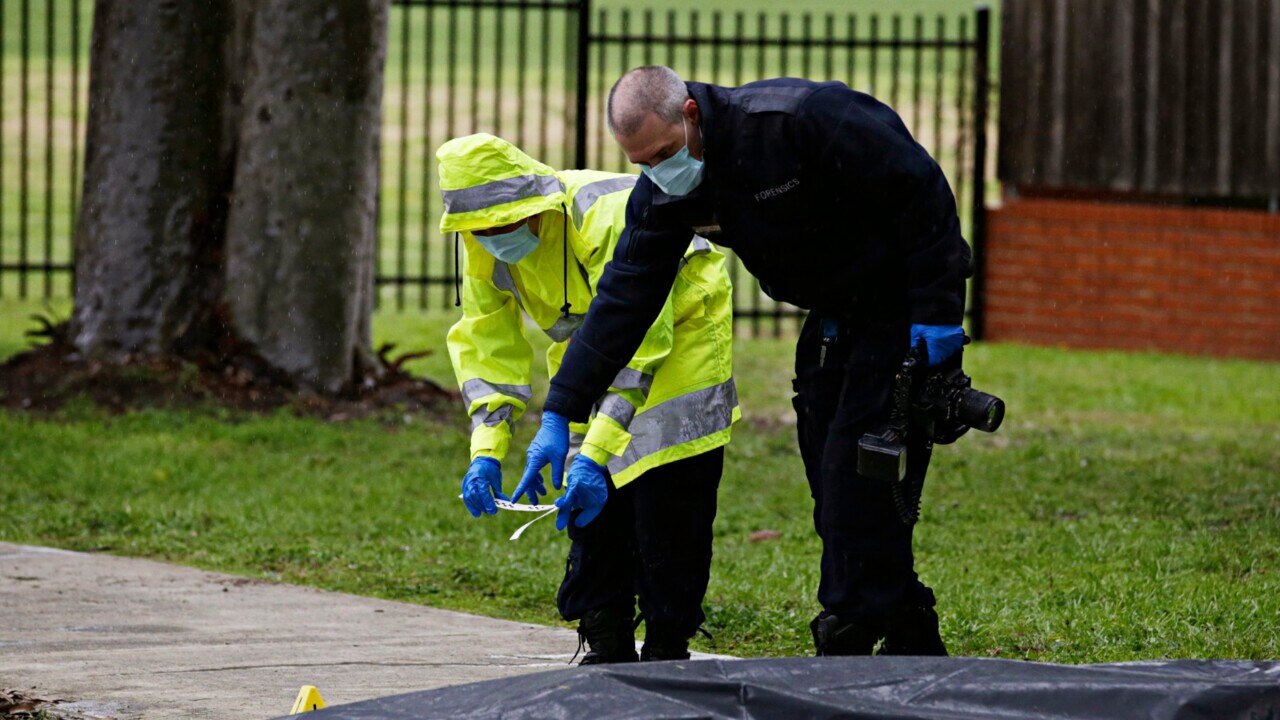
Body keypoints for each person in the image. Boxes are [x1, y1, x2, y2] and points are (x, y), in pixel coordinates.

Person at [520, 67, 971, 656]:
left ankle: (850, 628)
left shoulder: (798, 120)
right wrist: (561, 410)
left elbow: (920, 190)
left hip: (900, 310)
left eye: (661, 154)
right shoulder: (666, 189)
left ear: (689, 114)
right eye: (640, 163)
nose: (655, 172)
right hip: (834, 315)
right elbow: (623, 300)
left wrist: (938, 315)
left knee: (857, 473)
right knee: (828, 475)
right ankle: (906, 625)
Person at [438, 133, 738, 663]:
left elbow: (640, 336)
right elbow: (486, 342)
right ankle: (607, 648)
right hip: (591, 354)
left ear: (535, 205)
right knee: (593, 518)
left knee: (666, 508)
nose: (495, 237)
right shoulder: (480, 237)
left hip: (684, 338)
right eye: (482, 230)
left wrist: (596, 453)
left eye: (505, 223)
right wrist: (486, 449)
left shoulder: (605, 213)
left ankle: (668, 651)